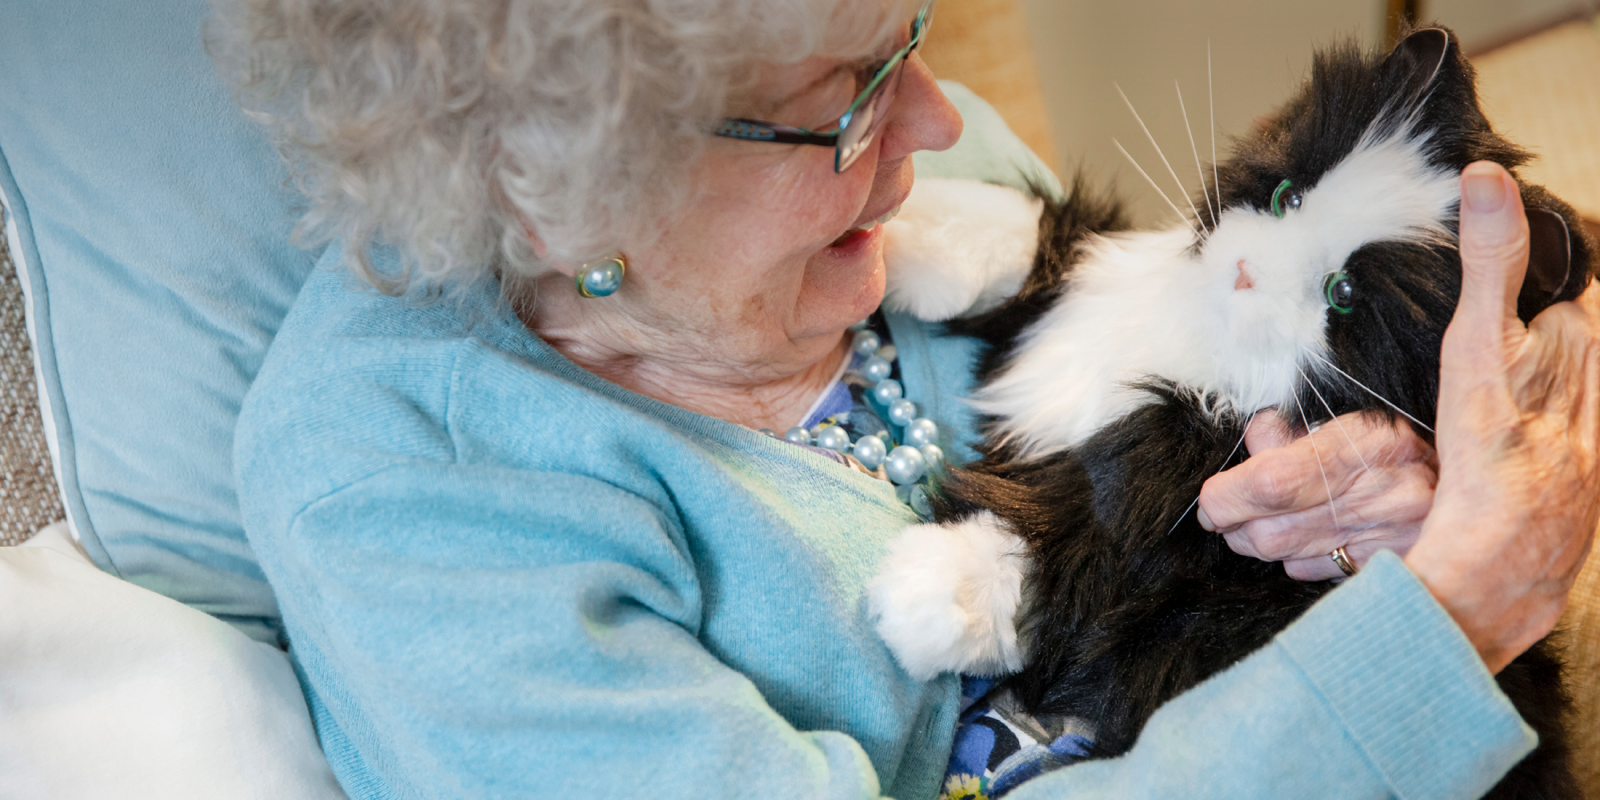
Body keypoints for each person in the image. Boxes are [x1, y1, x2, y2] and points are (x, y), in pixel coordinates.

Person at [212, 0, 1600, 796]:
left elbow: (1201, 383)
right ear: (559, 185)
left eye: (912, 30)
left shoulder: (884, 197)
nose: (943, 123)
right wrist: (1445, 626)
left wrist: (1377, 494)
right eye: (850, 92)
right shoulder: (411, 490)